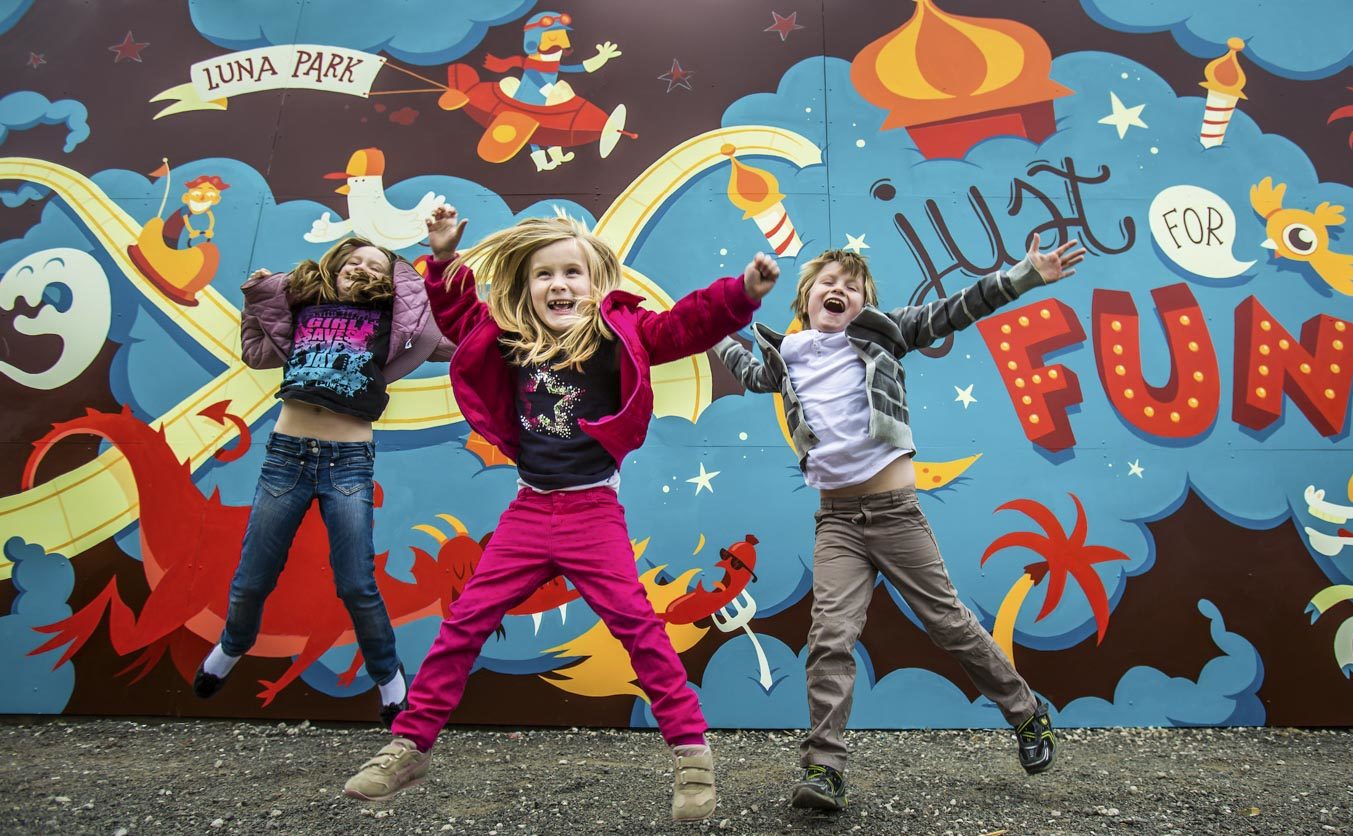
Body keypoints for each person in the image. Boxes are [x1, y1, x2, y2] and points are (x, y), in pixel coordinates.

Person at [343, 207, 779, 823]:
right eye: (544, 275)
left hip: (592, 512)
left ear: (596, 284)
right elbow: (461, 314)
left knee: (638, 630)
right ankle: (410, 745)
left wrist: (742, 294)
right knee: (465, 623)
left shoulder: (620, 336)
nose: (560, 285)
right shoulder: (513, 340)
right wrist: (443, 257)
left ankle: (690, 752)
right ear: (526, 287)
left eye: (573, 272)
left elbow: (685, 326)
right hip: (527, 510)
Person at [714, 235, 1085, 811]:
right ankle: (825, 770)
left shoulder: (882, 336)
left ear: (865, 304)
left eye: (852, 285)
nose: (839, 289)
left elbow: (955, 309)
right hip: (835, 520)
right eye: (827, 282)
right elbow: (745, 365)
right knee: (829, 639)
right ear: (805, 297)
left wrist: (1025, 277)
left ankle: (1026, 711)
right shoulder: (785, 353)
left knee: (949, 623)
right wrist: (708, 323)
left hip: (895, 516)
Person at [195, 237, 454, 726]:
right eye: (351, 261)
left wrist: (400, 266)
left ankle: (388, 679)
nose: (360, 268)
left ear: (387, 281)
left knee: (356, 583)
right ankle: (233, 646)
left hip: (348, 463)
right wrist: (257, 299)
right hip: (285, 460)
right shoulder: (305, 310)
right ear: (332, 268)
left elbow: (448, 337)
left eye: (374, 267)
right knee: (253, 579)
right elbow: (255, 351)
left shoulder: (393, 325)